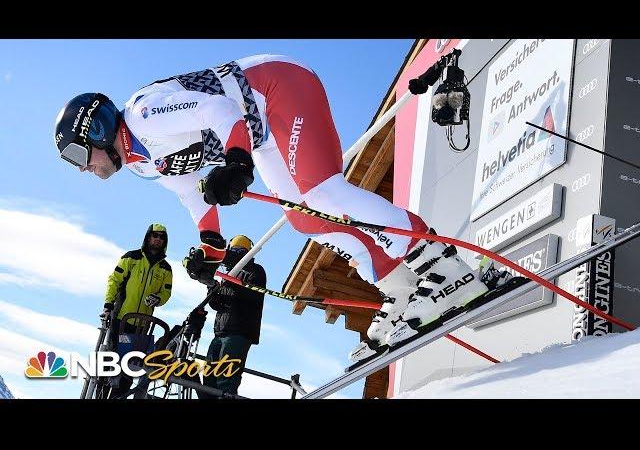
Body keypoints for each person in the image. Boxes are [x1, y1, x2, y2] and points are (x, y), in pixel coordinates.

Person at [54, 54, 499, 365]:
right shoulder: (142, 165)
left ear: (94, 128)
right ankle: (401, 286)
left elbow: (220, 109)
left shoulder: (144, 115)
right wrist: (210, 250)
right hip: (262, 130)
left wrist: (236, 162)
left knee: (321, 191)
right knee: (302, 216)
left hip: (278, 87)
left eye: (78, 157)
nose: (83, 169)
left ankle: (444, 267)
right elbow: (193, 195)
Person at [101, 223, 173, 397]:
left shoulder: (166, 268)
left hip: (143, 325)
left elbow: (166, 292)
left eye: (161, 237)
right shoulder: (131, 258)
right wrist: (108, 305)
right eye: (154, 235)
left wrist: (158, 299)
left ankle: (119, 396)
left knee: (131, 366)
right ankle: (102, 394)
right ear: (148, 237)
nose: (157, 239)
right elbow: (114, 280)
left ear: (165, 241)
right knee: (112, 361)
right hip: (121, 319)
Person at [197, 235, 265, 398]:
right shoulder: (229, 274)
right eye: (233, 251)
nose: (236, 254)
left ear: (249, 253)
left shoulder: (255, 271)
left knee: (226, 379)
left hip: (239, 332)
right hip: (220, 332)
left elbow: (251, 295)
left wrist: (228, 282)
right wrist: (211, 285)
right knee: (209, 379)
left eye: (240, 251)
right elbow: (216, 304)